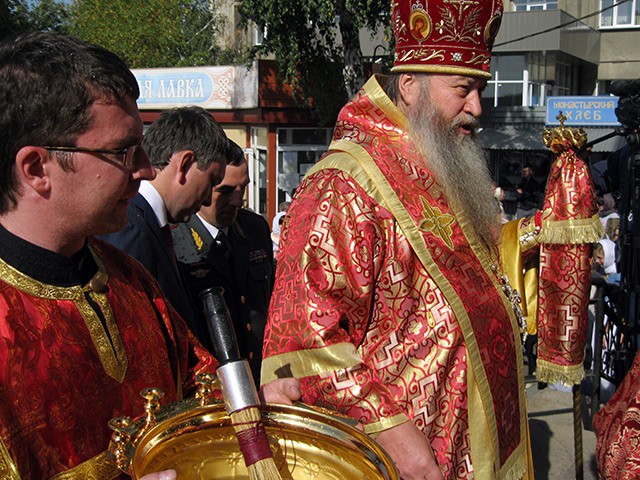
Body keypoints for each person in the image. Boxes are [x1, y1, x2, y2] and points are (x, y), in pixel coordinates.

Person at [261, 1, 536, 479]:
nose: (476, 108)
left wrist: (545, 234)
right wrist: (393, 436)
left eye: (480, 90)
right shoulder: (344, 184)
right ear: (409, 85)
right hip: (406, 462)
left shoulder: (437, 167)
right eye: (463, 89)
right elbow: (304, 344)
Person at [0, 32, 219, 479]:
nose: (146, 169)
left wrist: (251, 404)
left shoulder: (128, 277)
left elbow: (200, 388)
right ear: (37, 168)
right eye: (123, 151)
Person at [99, 106, 228, 351]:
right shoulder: (131, 228)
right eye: (211, 181)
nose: (209, 199)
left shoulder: (148, 225)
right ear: (185, 163)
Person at [173, 141, 274, 386]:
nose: (238, 201)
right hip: (210, 382)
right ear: (206, 186)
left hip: (259, 376)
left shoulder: (254, 229)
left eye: (243, 188)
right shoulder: (176, 237)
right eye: (226, 191)